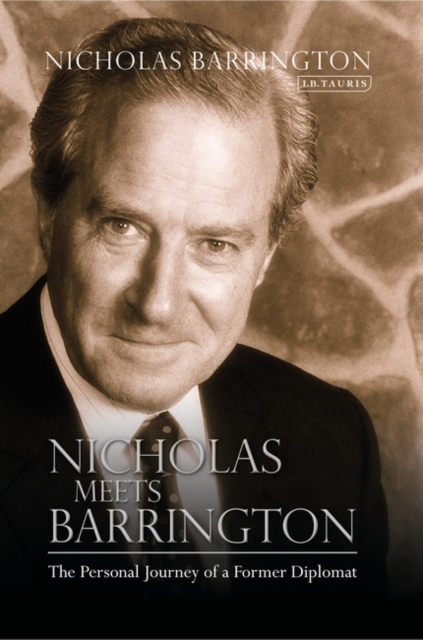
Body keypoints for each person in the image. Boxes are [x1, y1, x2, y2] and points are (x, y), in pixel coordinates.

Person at [0, 17, 387, 613]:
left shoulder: (331, 440)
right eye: (122, 226)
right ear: (49, 214)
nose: (157, 305)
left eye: (215, 244)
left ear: (265, 257)